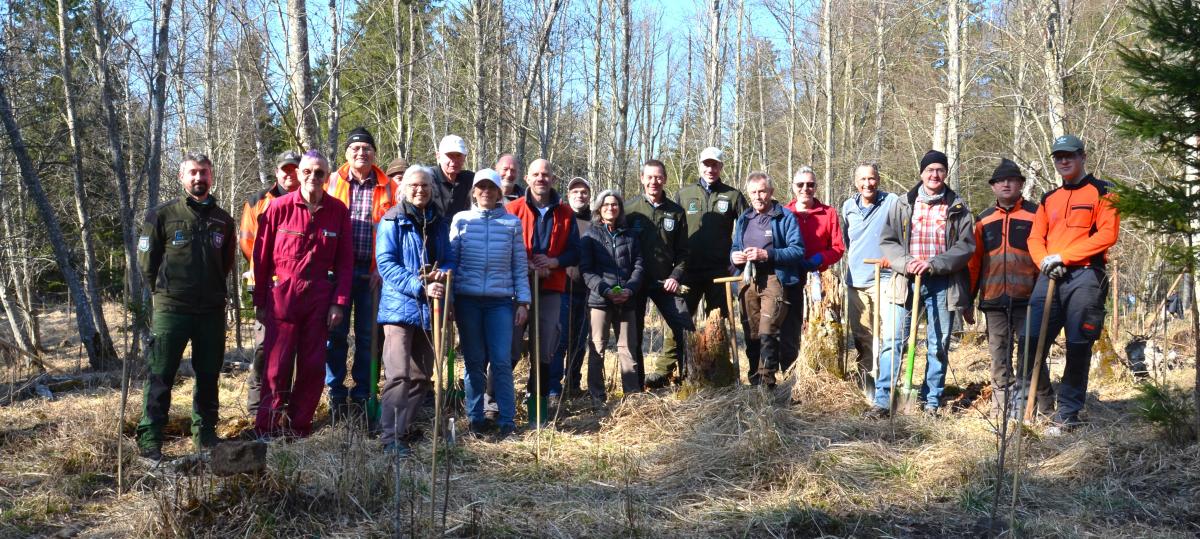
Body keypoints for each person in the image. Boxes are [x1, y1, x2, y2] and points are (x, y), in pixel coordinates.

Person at [136, 153, 236, 461]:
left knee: (208, 376)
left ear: (212, 176)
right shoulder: (162, 215)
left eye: (204, 172)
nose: (198, 178)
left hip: (211, 312)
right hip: (171, 310)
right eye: (192, 172)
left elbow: (227, 262)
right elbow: (146, 261)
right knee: (160, 374)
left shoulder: (223, 220)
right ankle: (150, 439)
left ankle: (205, 436)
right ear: (182, 177)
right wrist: (163, 293)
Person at [1018, 135, 1119, 431]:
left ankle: (1067, 415)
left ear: (1082, 156)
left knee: (1078, 345)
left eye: (1069, 156)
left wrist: (1066, 256)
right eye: (1058, 157)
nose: (1064, 161)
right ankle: (1033, 405)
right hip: (1049, 275)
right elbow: (1035, 237)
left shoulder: (1103, 191)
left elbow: (1107, 235)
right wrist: (1045, 261)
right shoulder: (1049, 198)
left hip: (1086, 276)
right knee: (1029, 342)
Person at [865, 150, 976, 418]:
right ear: (921, 173)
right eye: (929, 170)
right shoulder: (903, 204)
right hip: (905, 280)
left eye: (939, 170)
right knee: (893, 340)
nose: (934, 175)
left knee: (938, 343)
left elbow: (966, 247)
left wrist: (934, 263)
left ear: (945, 173)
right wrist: (906, 262)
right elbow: (888, 241)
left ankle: (931, 401)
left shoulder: (958, 208)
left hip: (942, 283)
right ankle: (883, 400)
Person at [253, 151, 353, 438]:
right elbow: (261, 259)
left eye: (319, 172)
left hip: (320, 296)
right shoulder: (278, 208)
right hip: (283, 295)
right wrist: (260, 300)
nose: (313, 177)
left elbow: (345, 262)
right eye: (307, 171)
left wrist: (339, 302)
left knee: (311, 366)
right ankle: (268, 426)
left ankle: (298, 427)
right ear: (298, 174)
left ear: (328, 176)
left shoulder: (338, 211)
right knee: (276, 364)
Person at [447, 168, 531, 438]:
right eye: (481, 187)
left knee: (502, 361)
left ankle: (507, 421)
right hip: (467, 300)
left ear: (499, 192)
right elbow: (452, 263)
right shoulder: (461, 221)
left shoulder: (511, 224)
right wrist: (449, 301)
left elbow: (519, 265)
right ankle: (475, 419)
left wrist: (523, 302)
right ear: (473, 191)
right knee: (473, 362)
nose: (486, 192)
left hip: (500, 302)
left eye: (491, 188)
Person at [375, 165, 451, 455]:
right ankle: (389, 438)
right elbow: (386, 264)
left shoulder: (439, 222)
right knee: (398, 375)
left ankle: (403, 430)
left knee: (421, 376)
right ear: (403, 189)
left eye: (425, 186)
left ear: (432, 189)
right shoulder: (392, 221)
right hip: (399, 308)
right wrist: (419, 285)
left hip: (429, 309)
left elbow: (448, 259)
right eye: (414, 185)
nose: (420, 190)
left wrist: (442, 273)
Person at [325, 127, 398, 424]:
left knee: (369, 337)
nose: (361, 153)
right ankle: (336, 393)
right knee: (335, 334)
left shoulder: (391, 187)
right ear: (346, 154)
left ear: (374, 153)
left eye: (367, 148)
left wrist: (382, 268)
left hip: (373, 274)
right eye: (355, 148)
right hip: (337, 273)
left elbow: (395, 231)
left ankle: (364, 393)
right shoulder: (331, 182)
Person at [503, 158, 581, 422]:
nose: (541, 179)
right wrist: (525, 263)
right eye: (536, 174)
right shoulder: (512, 209)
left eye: (545, 174)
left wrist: (554, 262)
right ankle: (495, 407)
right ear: (527, 178)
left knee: (544, 348)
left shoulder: (566, 213)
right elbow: (504, 247)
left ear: (553, 179)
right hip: (516, 289)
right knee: (510, 347)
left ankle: (538, 408)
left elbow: (575, 251)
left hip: (550, 287)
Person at [967, 158, 1042, 417]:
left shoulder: (1036, 214)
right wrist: (968, 299)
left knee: (1030, 356)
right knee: (999, 357)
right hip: (993, 301)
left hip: (1029, 300)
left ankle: (1033, 409)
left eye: (1012, 180)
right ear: (993, 187)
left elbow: (1044, 259)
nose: (1006, 184)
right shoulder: (983, 220)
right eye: (1000, 181)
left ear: (1021, 184)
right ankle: (1001, 413)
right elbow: (974, 263)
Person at [730, 173, 805, 387]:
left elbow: (798, 250)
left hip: (775, 278)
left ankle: (766, 383)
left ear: (771, 192)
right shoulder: (745, 218)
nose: (758, 196)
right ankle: (754, 379)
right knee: (751, 332)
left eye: (762, 191)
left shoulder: (785, 216)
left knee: (767, 329)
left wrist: (767, 255)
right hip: (747, 279)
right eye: (753, 192)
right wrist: (734, 257)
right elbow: (735, 247)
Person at [239, 150, 301, 415]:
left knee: (295, 346)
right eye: (285, 170)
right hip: (266, 285)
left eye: (295, 169)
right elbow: (247, 242)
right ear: (277, 172)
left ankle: (284, 404)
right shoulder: (257, 201)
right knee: (265, 346)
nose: (290, 174)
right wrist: (264, 268)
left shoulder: (312, 200)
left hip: (298, 286)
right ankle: (257, 407)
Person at [626, 160, 693, 388]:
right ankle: (635, 387)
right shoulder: (629, 209)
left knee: (685, 327)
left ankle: (689, 380)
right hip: (635, 283)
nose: (654, 182)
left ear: (665, 179)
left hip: (665, 282)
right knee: (633, 333)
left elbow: (684, 253)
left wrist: (676, 276)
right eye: (650, 177)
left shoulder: (676, 212)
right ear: (642, 178)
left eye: (658, 177)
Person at [581, 190, 645, 400]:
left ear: (620, 208)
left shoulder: (630, 235)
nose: (611, 208)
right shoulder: (590, 235)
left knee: (627, 348)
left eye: (615, 204)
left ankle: (632, 396)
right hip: (600, 301)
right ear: (599, 208)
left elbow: (639, 266)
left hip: (627, 300)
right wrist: (605, 291)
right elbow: (587, 270)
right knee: (597, 348)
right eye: (606, 204)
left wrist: (630, 289)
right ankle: (597, 397)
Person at [841, 162, 898, 397]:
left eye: (872, 178)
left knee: (888, 335)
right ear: (856, 182)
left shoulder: (891, 202)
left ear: (879, 179)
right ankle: (867, 382)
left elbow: (904, 232)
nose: (868, 183)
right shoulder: (848, 207)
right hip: (856, 281)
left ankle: (886, 386)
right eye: (863, 179)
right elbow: (847, 240)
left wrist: (892, 257)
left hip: (885, 279)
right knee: (862, 335)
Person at [781, 166, 845, 372]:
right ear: (793, 187)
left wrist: (819, 259)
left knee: (818, 324)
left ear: (816, 187)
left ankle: (821, 370)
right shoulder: (784, 213)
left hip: (820, 279)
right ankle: (790, 371)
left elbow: (838, 248)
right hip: (791, 276)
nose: (805, 189)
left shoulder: (828, 213)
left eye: (810, 185)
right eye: (800, 185)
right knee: (790, 326)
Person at [677, 147, 748, 319]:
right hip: (689, 270)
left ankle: (718, 347)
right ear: (699, 165)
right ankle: (680, 348)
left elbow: (747, 227)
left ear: (721, 167)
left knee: (719, 323)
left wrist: (738, 260)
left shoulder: (733, 195)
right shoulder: (684, 194)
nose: (710, 170)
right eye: (706, 165)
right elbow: (675, 233)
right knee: (680, 321)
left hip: (720, 270)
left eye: (715, 165)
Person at [553, 177, 593, 405]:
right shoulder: (561, 218)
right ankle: (554, 388)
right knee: (560, 340)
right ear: (568, 195)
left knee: (580, 342)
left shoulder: (595, 221)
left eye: (584, 192)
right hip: (561, 290)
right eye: (575, 191)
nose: (580, 195)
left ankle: (573, 384)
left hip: (587, 292)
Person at [431, 135, 475, 217]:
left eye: (458, 155)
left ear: (464, 157)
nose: (454, 161)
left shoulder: (471, 180)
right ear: (438, 156)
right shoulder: (427, 179)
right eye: (450, 155)